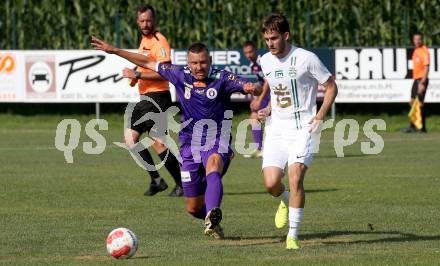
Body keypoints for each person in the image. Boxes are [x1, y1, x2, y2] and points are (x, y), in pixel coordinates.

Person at [91, 37, 261, 239]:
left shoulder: (223, 77)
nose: (199, 67)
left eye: (203, 62)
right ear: (188, 63)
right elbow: (147, 63)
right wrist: (115, 50)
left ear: (210, 61)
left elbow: (251, 87)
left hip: (217, 138)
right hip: (189, 144)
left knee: (213, 165)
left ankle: (214, 212)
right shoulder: (180, 74)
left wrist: (253, 89)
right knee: (192, 207)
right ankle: (209, 218)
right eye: (195, 63)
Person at [257, 13, 338, 249]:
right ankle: (284, 201)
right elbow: (275, 89)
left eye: (274, 38)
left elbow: (331, 86)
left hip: (304, 126)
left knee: (295, 177)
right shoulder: (266, 61)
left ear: (286, 35)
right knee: (272, 184)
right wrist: (268, 109)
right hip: (276, 129)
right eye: (266, 39)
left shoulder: (306, 58)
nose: (270, 43)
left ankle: (293, 235)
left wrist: (321, 114)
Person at [122, 4, 183, 197]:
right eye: (142, 21)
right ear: (137, 22)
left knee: (154, 142)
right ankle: (159, 181)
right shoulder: (144, 40)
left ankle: (180, 183)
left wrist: (138, 74)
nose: (145, 24)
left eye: (149, 20)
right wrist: (135, 75)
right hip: (147, 98)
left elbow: (166, 74)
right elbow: (146, 66)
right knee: (137, 140)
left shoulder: (159, 41)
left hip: (158, 98)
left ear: (154, 20)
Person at [242, 41, 270, 158]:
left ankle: (268, 149)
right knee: (254, 117)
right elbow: (261, 82)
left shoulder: (262, 61)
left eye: (250, 52)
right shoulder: (252, 65)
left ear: (255, 50)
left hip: (273, 93)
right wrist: (256, 98)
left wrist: (260, 99)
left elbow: (268, 81)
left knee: (267, 119)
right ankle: (259, 149)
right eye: (246, 53)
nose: (248, 55)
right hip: (266, 93)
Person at [402, 32, 430, 133]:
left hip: (421, 80)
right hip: (416, 79)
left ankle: (422, 128)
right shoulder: (416, 50)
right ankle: (413, 126)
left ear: (422, 40)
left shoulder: (424, 50)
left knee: (420, 103)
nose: (417, 41)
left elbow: (427, 67)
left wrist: (423, 82)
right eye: (415, 39)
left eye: (419, 39)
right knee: (412, 102)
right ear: (413, 40)